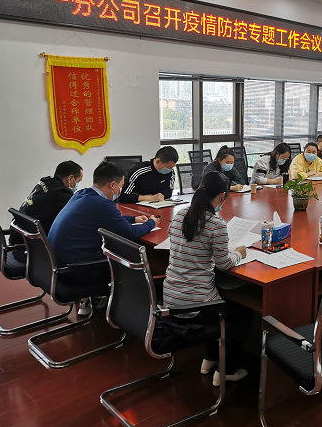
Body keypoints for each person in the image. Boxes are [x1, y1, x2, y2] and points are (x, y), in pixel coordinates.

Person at [163, 171, 252, 386]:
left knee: (217, 299)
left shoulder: (180, 215)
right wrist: (239, 253)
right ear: (222, 196)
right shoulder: (216, 224)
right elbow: (224, 264)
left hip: (170, 299)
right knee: (242, 314)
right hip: (195, 306)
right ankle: (225, 371)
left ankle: (209, 358)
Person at [48, 162, 159, 315]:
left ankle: (91, 300)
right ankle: (129, 311)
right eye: (120, 186)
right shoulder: (102, 204)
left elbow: (107, 218)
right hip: (75, 271)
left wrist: (133, 219)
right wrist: (152, 223)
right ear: (112, 185)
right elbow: (131, 233)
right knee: (128, 260)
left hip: (56, 264)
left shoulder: (82, 194)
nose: (120, 191)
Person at [9, 161, 83, 265]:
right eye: (78, 181)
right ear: (70, 178)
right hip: (28, 249)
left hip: (18, 239)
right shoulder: (61, 195)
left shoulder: (45, 184)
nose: (77, 186)